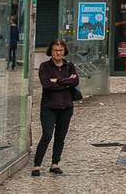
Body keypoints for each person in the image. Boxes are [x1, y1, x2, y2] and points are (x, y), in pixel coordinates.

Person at [32, 39, 79, 176]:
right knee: (47, 135)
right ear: (51, 51)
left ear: (64, 51)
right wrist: (66, 82)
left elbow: (75, 81)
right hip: (49, 107)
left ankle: (55, 163)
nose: (58, 53)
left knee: (60, 137)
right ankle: (37, 165)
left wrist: (57, 80)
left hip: (66, 107)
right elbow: (47, 85)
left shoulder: (70, 65)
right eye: (55, 50)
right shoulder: (45, 66)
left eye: (61, 50)